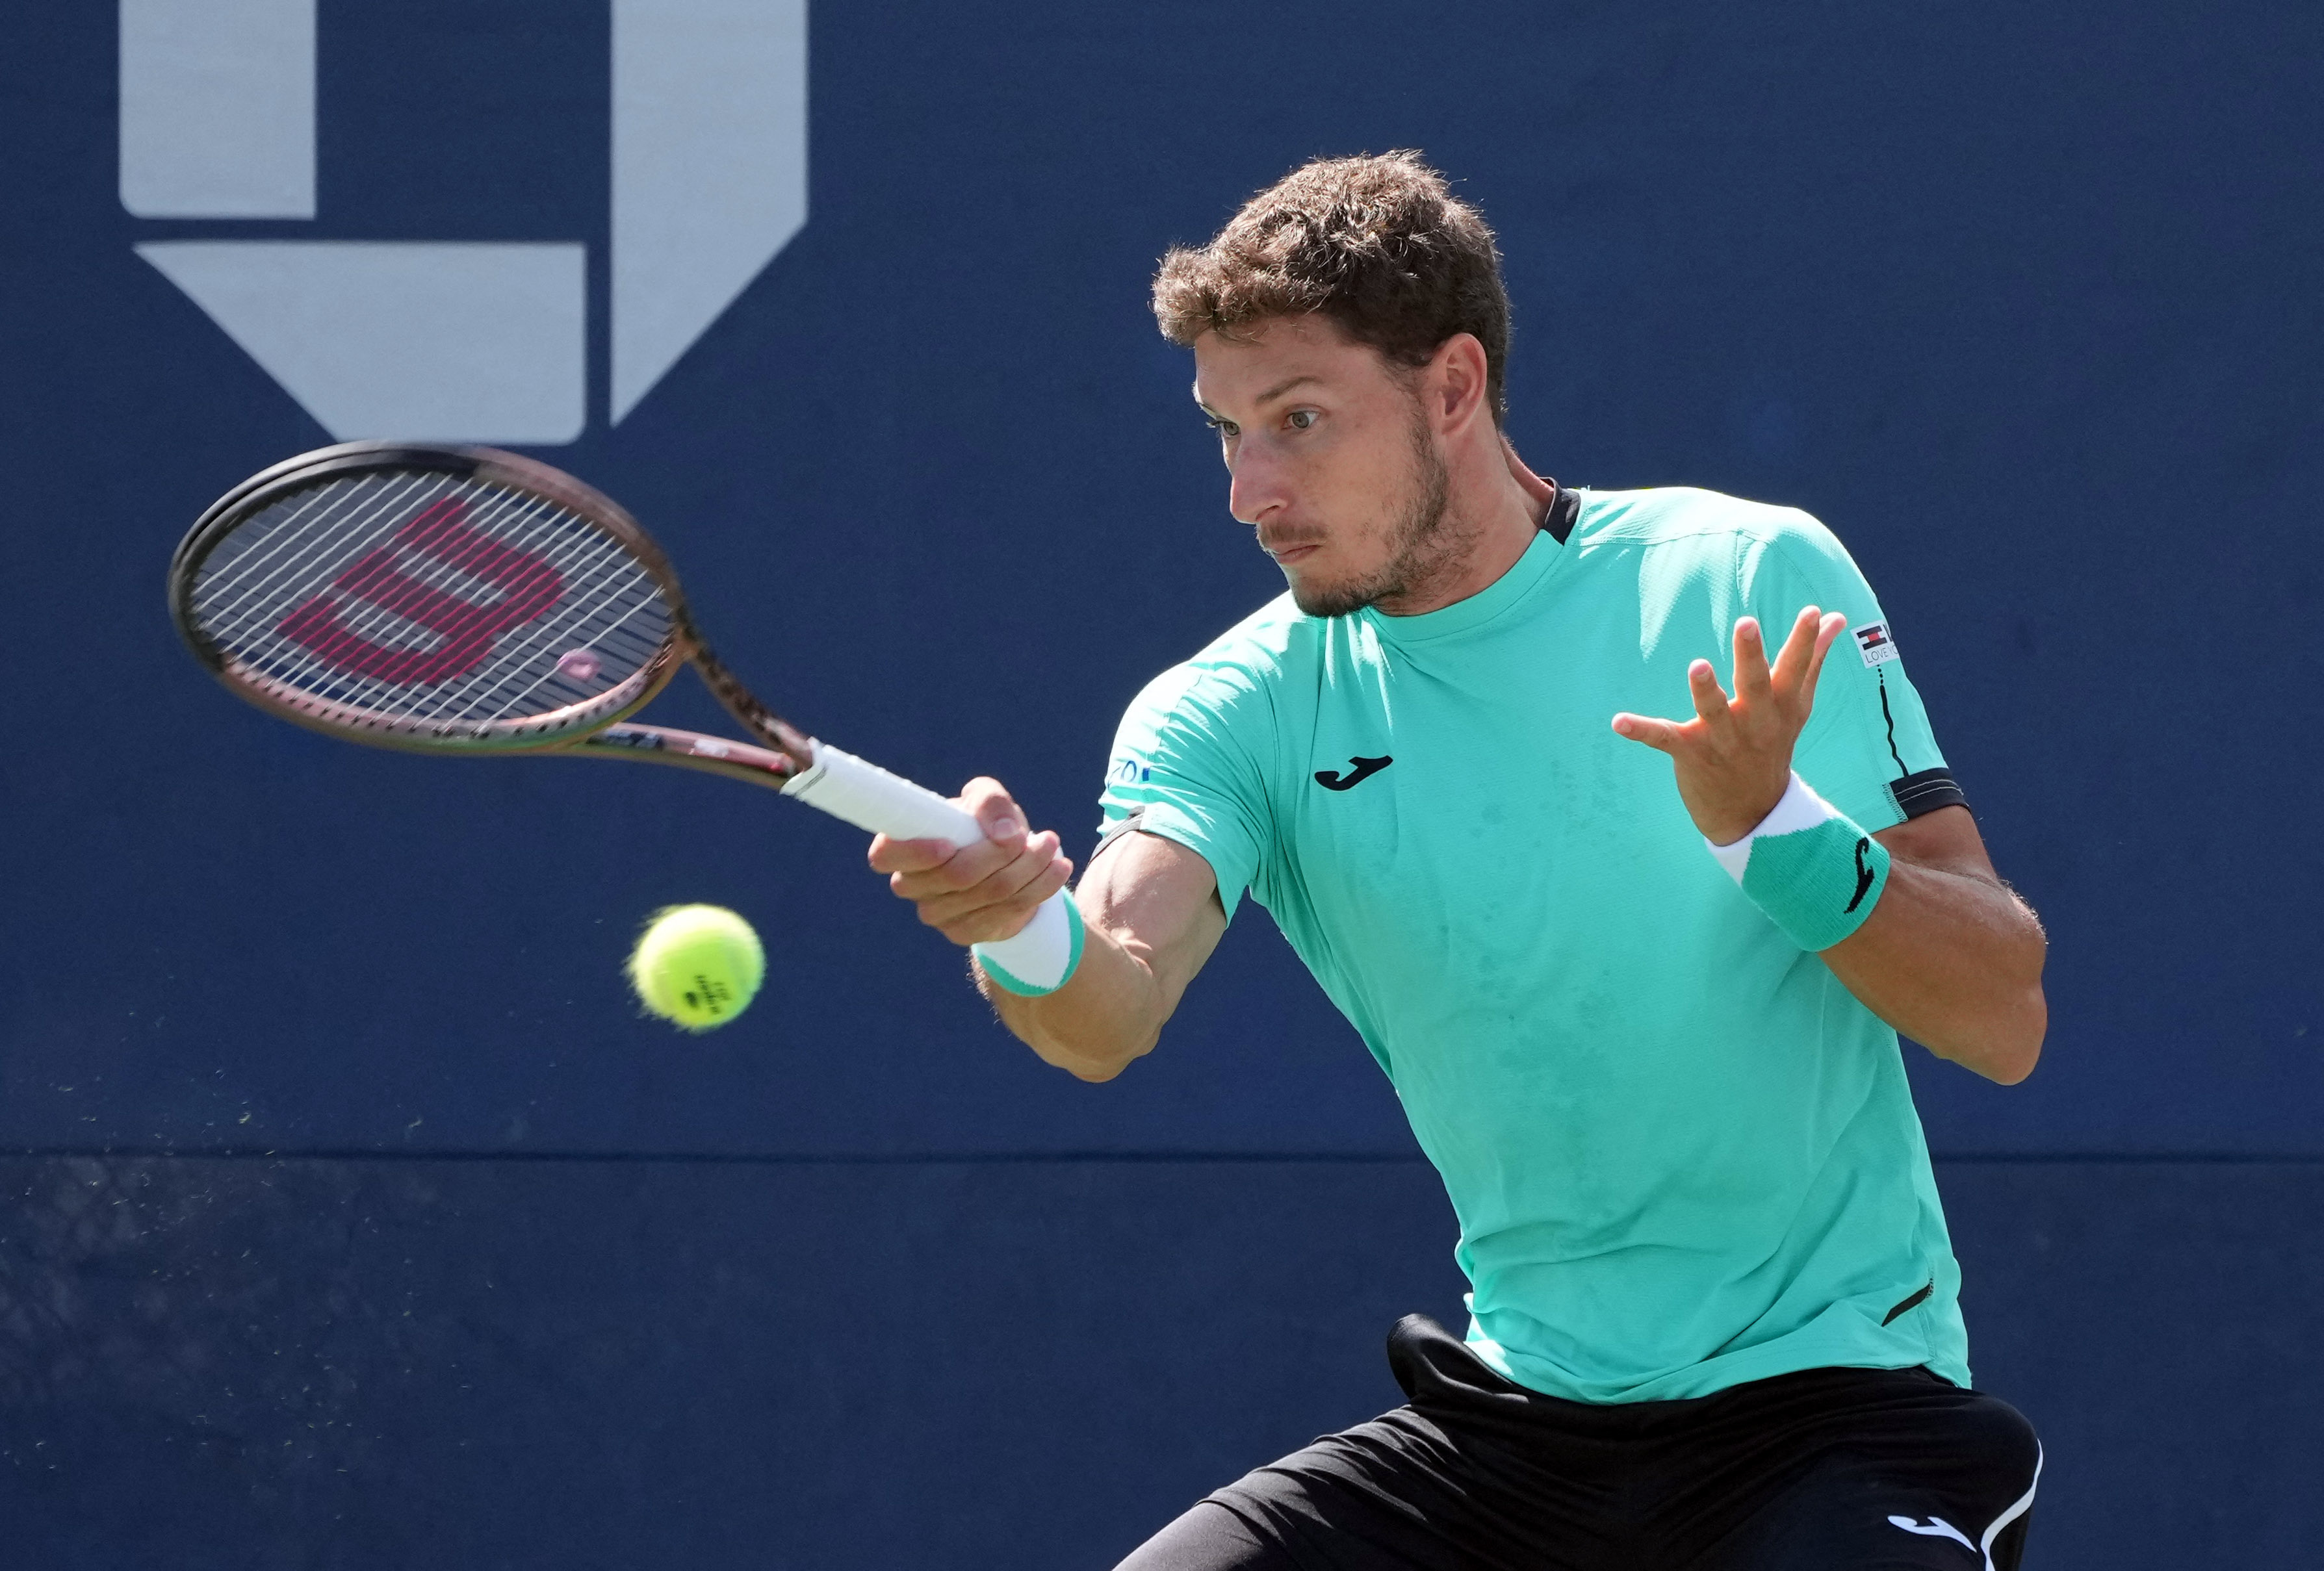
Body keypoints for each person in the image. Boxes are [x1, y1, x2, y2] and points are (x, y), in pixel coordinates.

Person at [870, 152, 2048, 1570]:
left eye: (1299, 420)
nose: (1251, 491)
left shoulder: (1744, 581)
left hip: (1842, 1418)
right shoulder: (1231, 709)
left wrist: (1777, 830)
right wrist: (1019, 927)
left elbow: (2004, 1016)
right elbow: (1106, 1006)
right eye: (1225, 432)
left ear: (1451, 388)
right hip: (1519, 1436)